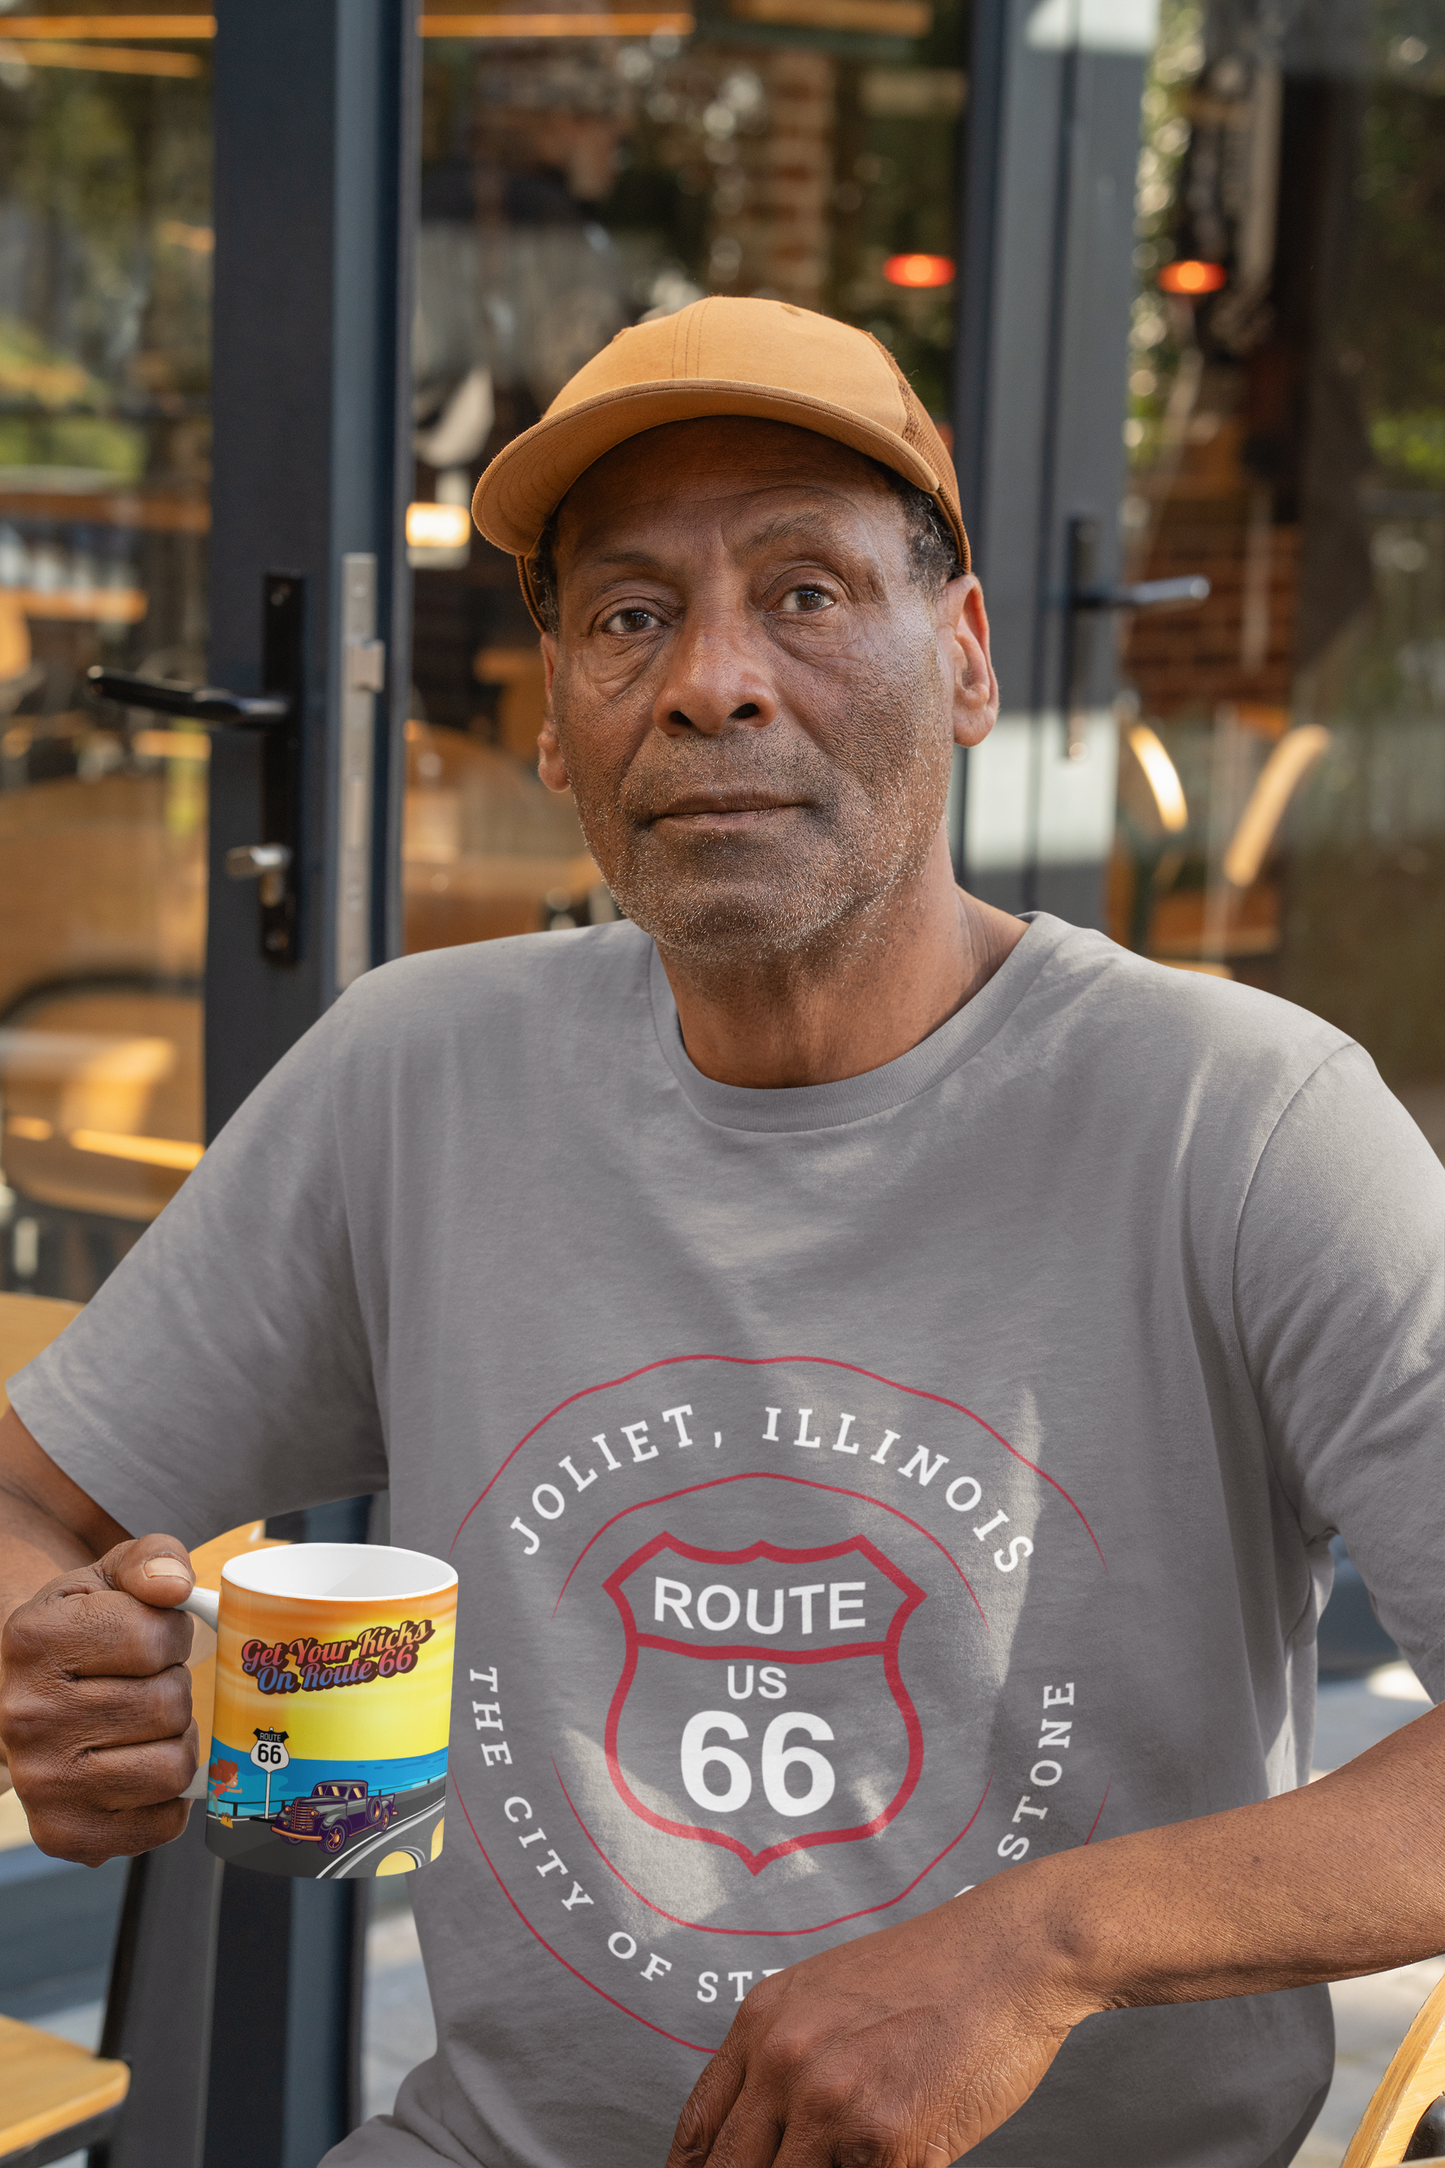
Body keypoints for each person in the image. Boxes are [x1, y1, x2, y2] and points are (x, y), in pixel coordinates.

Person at [0, 297, 1441, 2168]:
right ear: (557, 730)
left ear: (973, 658)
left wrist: (1043, 1945)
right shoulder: (415, 1075)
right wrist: (55, 1664)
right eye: (628, 615)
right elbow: (35, 1500)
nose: (712, 679)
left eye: (810, 591)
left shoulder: (1244, 1121)